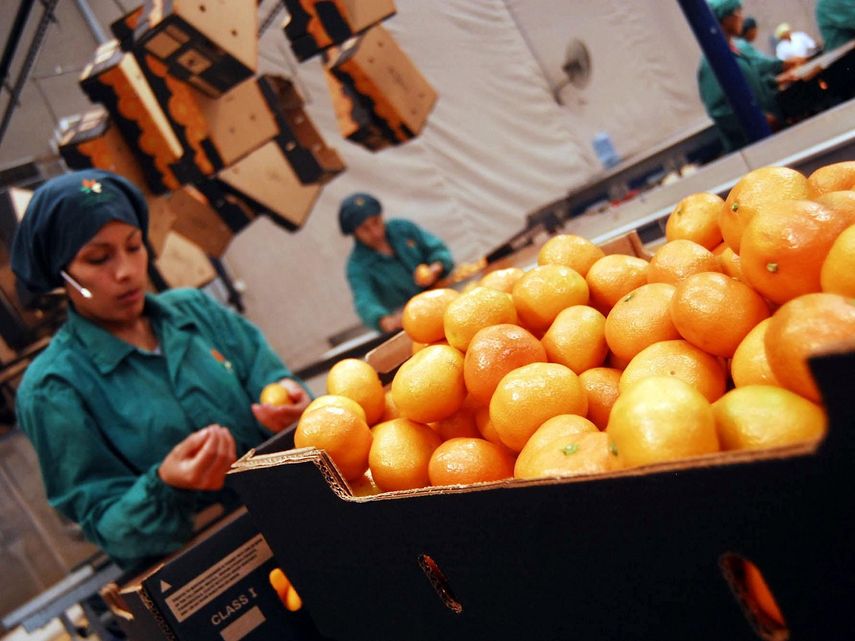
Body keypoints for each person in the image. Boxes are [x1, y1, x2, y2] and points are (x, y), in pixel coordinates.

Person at [11, 170, 311, 573]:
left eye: (134, 247)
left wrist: (291, 402)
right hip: (210, 570)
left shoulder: (195, 311)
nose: (127, 271)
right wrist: (167, 486)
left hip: (300, 520)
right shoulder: (53, 388)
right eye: (98, 258)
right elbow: (105, 525)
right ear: (61, 276)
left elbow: (270, 374)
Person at [340, 193, 454, 333]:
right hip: (409, 321)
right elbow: (364, 301)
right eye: (365, 229)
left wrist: (436, 268)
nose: (375, 233)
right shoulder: (357, 266)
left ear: (381, 216)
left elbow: (436, 249)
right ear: (354, 233)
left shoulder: (403, 229)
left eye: (376, 221)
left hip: (441, 298)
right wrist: (384, 320)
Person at [697, 0, 798, 152]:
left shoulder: (735, 50)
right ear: (724, 18)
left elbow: (753, 82)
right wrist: (758, 119)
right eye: (737, 12)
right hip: (750, 145)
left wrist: (774, 83)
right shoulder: (712, 63)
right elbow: (719, 111)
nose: (742, 17)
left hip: (768, 136)